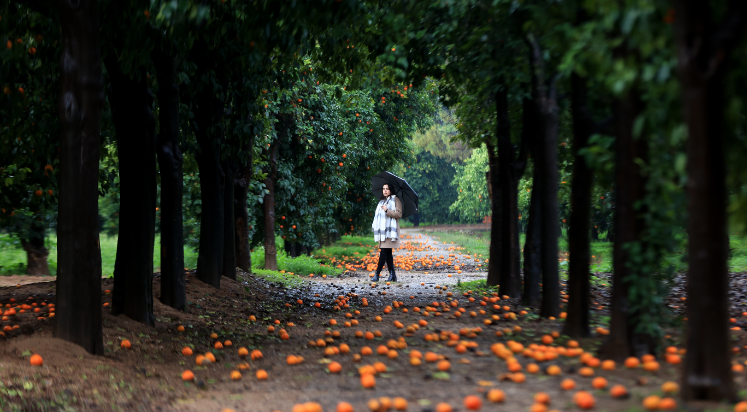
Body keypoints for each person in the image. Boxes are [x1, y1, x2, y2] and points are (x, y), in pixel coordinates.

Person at [371, 183, 402, 282]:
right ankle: (393, 275)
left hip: (390, 231)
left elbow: (399, 214)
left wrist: (387, 210)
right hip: (383, 231)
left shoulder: (396, 199)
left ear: (391, 190)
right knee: (388, 254)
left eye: (387, 189)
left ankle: (377, 274)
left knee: (383, 252)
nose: (385, 190)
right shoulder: (381, 201)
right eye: (383, 188)